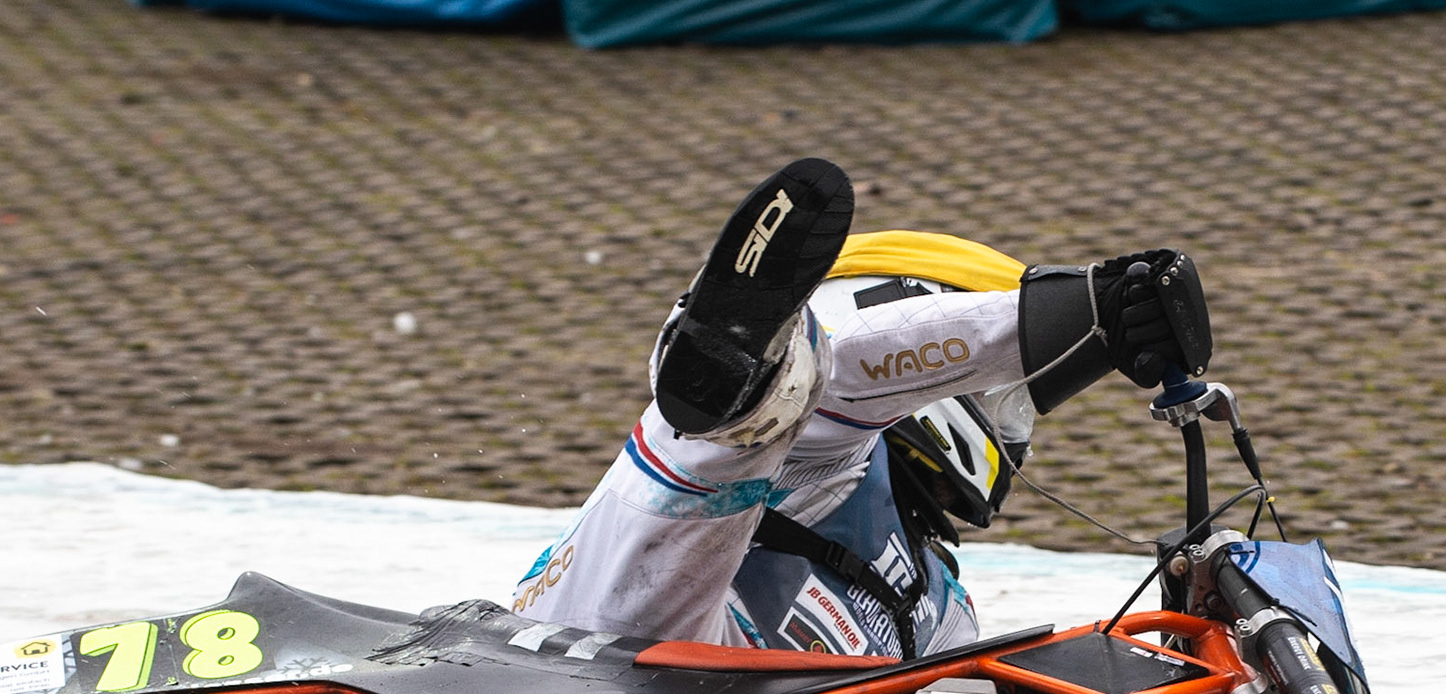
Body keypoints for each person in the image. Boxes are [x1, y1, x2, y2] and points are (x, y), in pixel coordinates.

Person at [512, 158, 1210, 659]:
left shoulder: (942, 603)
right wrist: (1081, 311)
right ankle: (739, 353)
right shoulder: (825, 455)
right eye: (1004, 383)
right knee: (742, 427)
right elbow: (848, 371)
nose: (1015, 426)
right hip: (563, 677)